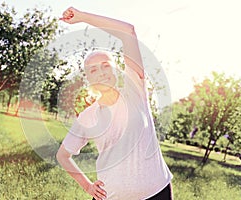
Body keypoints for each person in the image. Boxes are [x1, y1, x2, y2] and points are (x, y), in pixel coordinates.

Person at [56, 7, 173, 200]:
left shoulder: (135, 91)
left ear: (116, 70)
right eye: (93, 70)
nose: (101, 73)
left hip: (156, 193)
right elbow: (63, 156)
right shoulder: (88, 116)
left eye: (105, 66)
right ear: (88, 79)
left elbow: (128, 31)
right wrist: (87, 186)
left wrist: (82, 17)